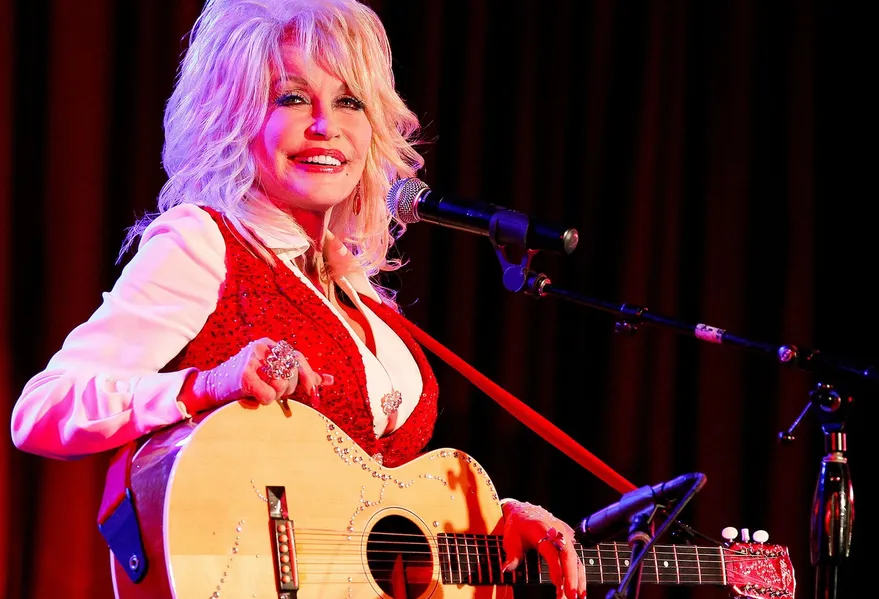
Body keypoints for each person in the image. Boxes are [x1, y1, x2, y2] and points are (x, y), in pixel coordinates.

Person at [10, 0, 586, 597]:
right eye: (291, 98)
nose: (324, 125)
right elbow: (43, 411)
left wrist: (493, 525)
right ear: (233, 118)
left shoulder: (363, 296)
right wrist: (206, 384)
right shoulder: (206, 243)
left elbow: (370, 496)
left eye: (350, 102)